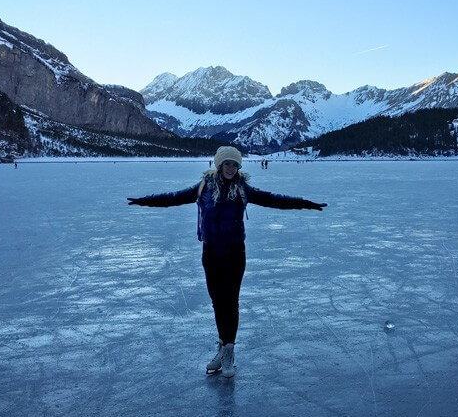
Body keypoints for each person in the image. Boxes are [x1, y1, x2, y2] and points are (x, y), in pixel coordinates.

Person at [127, 146, 326, 378]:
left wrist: (306, 203)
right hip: (210, 253)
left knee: (231, 302)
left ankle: (229, 352)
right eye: (227, 164)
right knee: (217, 302)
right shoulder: (203, 188)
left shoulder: (243, 189)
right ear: (219, 165)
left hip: (234, 253)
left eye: (235, 164)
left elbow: (275, 200)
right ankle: (222, 348)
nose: (231, 168)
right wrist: (144, 201)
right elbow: (173, 198)